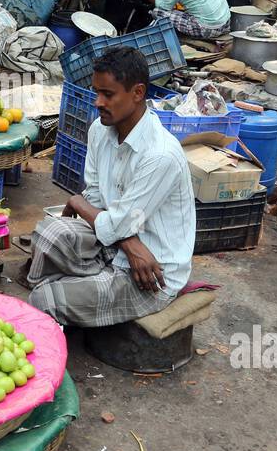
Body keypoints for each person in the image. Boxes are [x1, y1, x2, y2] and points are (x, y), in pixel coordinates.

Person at [25, 46, 195, 327]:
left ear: (138, 93)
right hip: (119, 246)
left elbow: (93, 208)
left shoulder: (160, 155)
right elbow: (96, 197)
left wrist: (79, 204)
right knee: (48, 233)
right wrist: (128, 242)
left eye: (108, 94)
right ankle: (69, 298)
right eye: (96, 92)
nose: (97, 102)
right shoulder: (99, 130)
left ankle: (57, 300)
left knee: (44, 300)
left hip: (150, 273)